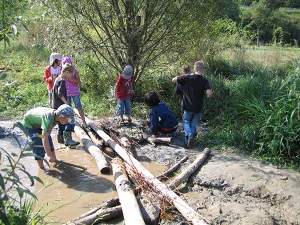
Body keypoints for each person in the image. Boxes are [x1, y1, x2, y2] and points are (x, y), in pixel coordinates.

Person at [172, 61, 213, 149]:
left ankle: (190, 136)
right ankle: (188, 143)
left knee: (186, 122)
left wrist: (181, 77)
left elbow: (174, 79)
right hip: (198, 108)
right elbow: (209, 93)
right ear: (203, 71)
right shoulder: (205, 81)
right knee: (193, 125)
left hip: (188, 107)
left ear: (194, 70)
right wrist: (207, 93)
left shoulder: (187, 78)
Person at [23, 104, 76, 170]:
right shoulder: (49, 119)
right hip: (30, 125)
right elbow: (44, 137)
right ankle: (42, 167)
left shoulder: (56, 117)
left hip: (39, 123)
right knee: (38, 144)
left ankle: (55, 161)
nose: (67, 122)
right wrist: (49, 155)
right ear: (61, 117)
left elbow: (47, 136)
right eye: (67, 120)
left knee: (49, 141)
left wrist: (51, 154)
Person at [52, 63, 80, 146]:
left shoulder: (57, 79)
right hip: (61, 105)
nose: (71, 77)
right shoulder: (62, 81)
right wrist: (67, 104)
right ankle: (68, 140)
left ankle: (60, 140)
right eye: (71, 75)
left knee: (61, 122)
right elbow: (60, 93)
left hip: (56, 105)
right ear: (67, 72)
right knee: (71, 121)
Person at [62, 56, 88, 128]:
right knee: (68, 107)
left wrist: (71, 79)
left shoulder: (74, 71)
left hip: (74, 91)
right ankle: (70, 123)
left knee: (78, 106)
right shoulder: (62, 72)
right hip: (66, 92)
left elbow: (78, 81)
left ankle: (84, 122)